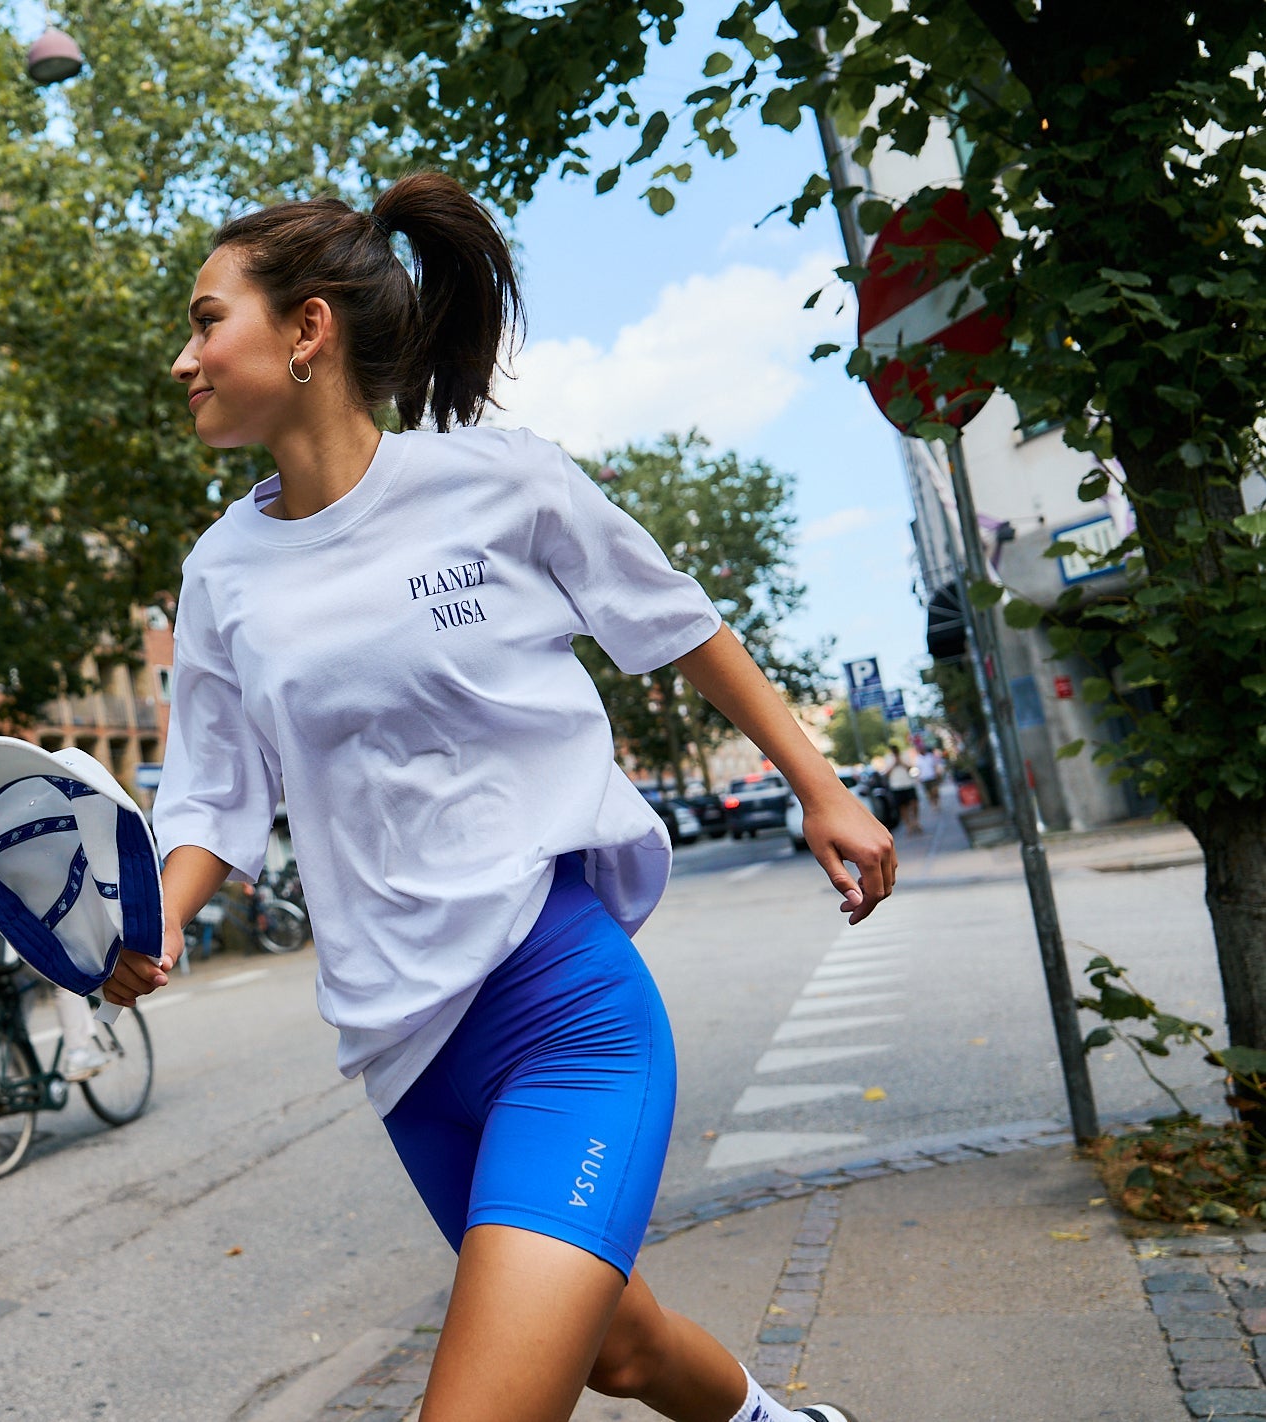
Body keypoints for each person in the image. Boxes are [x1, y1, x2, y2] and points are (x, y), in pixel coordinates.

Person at [102, 172, 892, 1422]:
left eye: (207, 320)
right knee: (615, 1348)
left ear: (307, 330)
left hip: (556, 1007)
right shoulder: (222, 574)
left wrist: (821, 786)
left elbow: (674, 618)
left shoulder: (498, 481)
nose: (184, 357)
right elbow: (209, 791)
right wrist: (157, 917)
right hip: (404, 1055)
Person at [885, 747, 921, 834]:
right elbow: (886, 773)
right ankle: (908, 825)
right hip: (896, 786)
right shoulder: (887, 758)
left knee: (914, 803)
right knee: (902, 807)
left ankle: (915, 821)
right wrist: (894, 763)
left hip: (908, 783)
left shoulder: (905, 755)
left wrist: (901, 762)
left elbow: (911, 768)